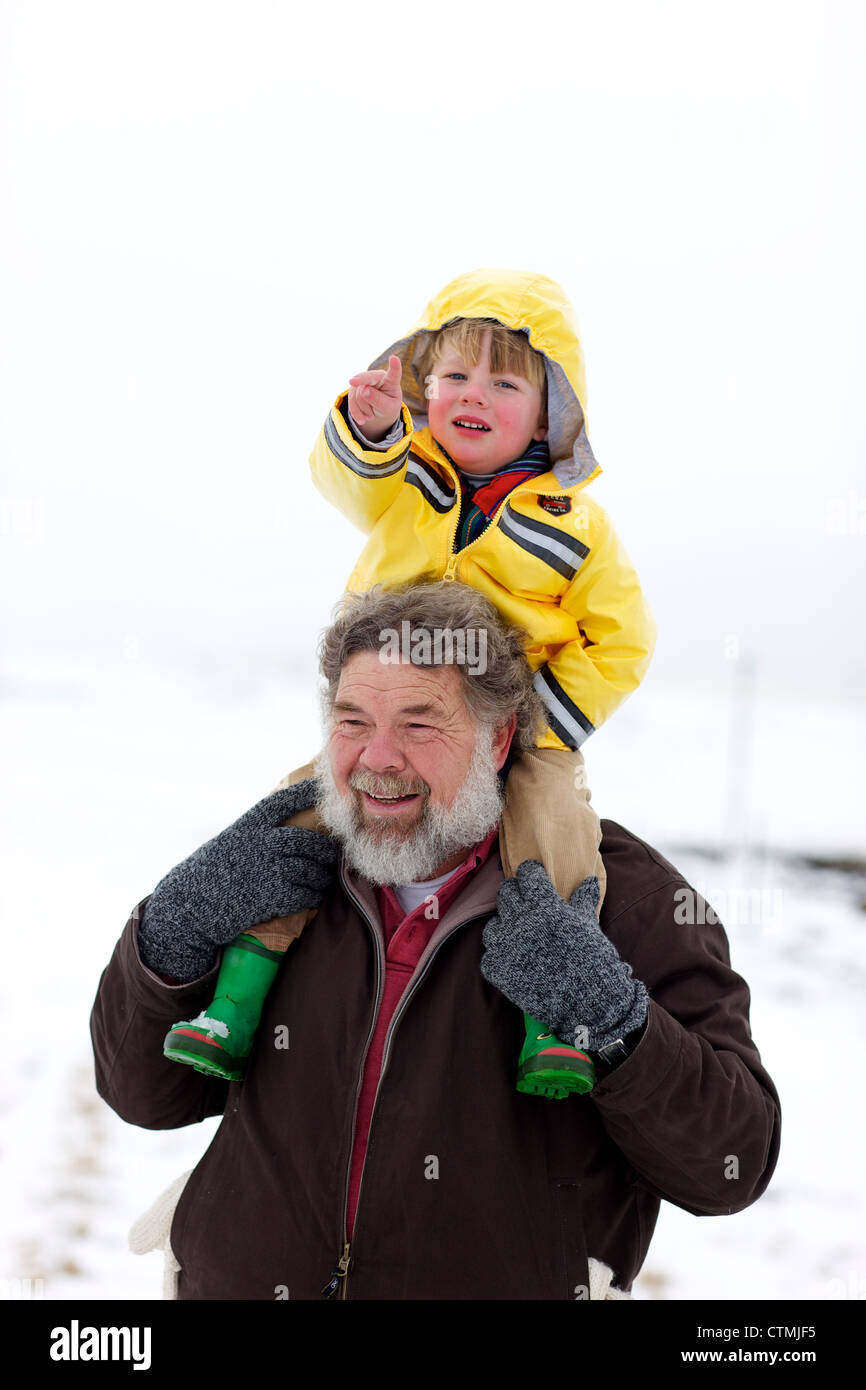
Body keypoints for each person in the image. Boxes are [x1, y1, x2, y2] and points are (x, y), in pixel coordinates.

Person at [90, 581, 781, 1301]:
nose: (377, 758)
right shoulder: (279, 871)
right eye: (352, 720)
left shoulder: (624, 901)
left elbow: (729, 1163)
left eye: (420, 726)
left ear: (499, 737)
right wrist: (172, 929)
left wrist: (613, 1019)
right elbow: (142, 1094)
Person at [161, 268, 657, 1096]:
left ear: (552, 410)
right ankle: (235, 1001)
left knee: (555, 830)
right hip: (387, 702)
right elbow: (349, 479)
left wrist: (539, 727)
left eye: (505, 381)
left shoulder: (577, 526)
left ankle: (553, 1020)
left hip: (517, 722)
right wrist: (368, 426)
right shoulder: (409, 480)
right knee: (297, 820)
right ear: (426, 388)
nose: (474, 393)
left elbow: (622, 639)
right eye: (454, 374)